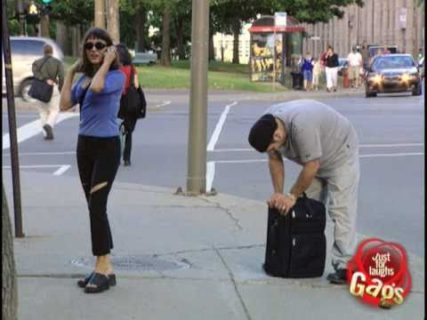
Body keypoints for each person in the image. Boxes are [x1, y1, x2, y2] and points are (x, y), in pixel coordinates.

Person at [248, 99, 360, 285]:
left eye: (272, 147)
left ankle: (345, 266)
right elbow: (275, 160)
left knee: (341, 210)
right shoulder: (268, 121)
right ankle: (304, 260)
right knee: (306, 212)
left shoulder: (301, 125)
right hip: (314, 159)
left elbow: (312, 166)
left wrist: (291, 196)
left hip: (340, 153)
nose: (273, 151)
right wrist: (279, 193)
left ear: (277, 135)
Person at [59, 27, 125, 293]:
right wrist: (70, 73)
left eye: (100, 45)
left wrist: (109, 61)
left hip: (107, 147)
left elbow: (98, 86)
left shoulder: (116, 77)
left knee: (97, 207)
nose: (94, 49)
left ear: (109, 49)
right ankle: (105, 267)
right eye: (89, 46)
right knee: (94, 207)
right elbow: (64, 105)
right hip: (84, 146)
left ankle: (102, 267)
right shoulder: (83, 78)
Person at [31, 44, 64, 140]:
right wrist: (60, 88)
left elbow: (35, 74)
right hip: (52, 87)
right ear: (52, 52)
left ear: (43, 52)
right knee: (54, 110)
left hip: (40, 89)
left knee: (42, 111)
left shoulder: (36, 63)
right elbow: (61, 77)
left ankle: (46, 134)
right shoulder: (57, 62)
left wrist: (43, 79)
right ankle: (49, 125)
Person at [116, 44, 140, 166]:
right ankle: (127, 158)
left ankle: (116, 155)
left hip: (117, 100)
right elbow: (136, 85)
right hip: (129, 102)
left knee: (116, 128)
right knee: (128, 130)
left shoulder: (115, 68)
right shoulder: (132, 68)